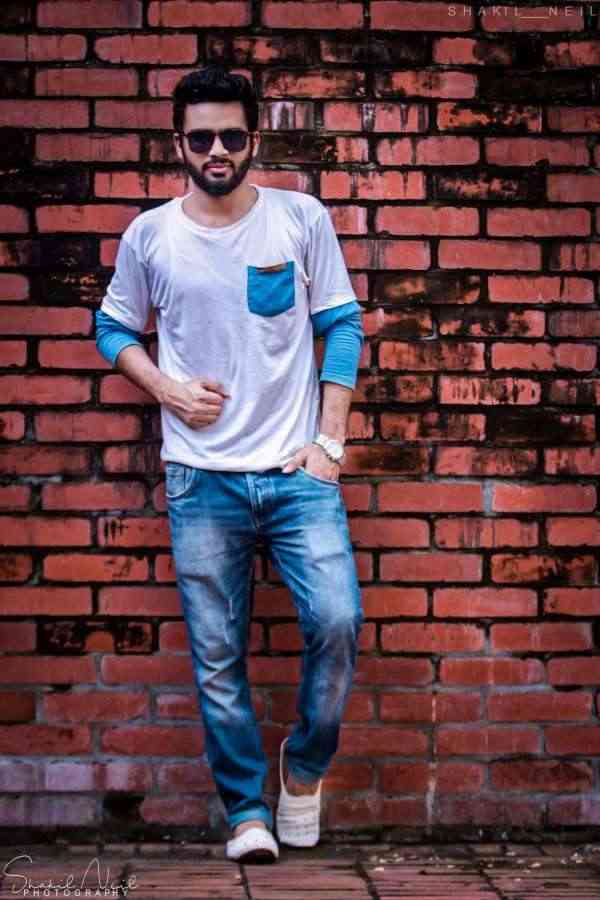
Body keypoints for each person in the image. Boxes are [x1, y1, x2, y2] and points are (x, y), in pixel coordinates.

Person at [95, 64, 365, 864]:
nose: (218, 150)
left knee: (337, 621)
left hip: (297, 474)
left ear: (254, 139)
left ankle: (304, 769)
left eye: (233, 136)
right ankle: (247, 810)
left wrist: (330, 444)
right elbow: (113, 329)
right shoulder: (151, 235)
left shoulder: (299, 218)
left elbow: (342, 326)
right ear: (178, 143)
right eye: (202, 137)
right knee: (218, 657)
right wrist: (168, 391)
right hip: (200, 478)